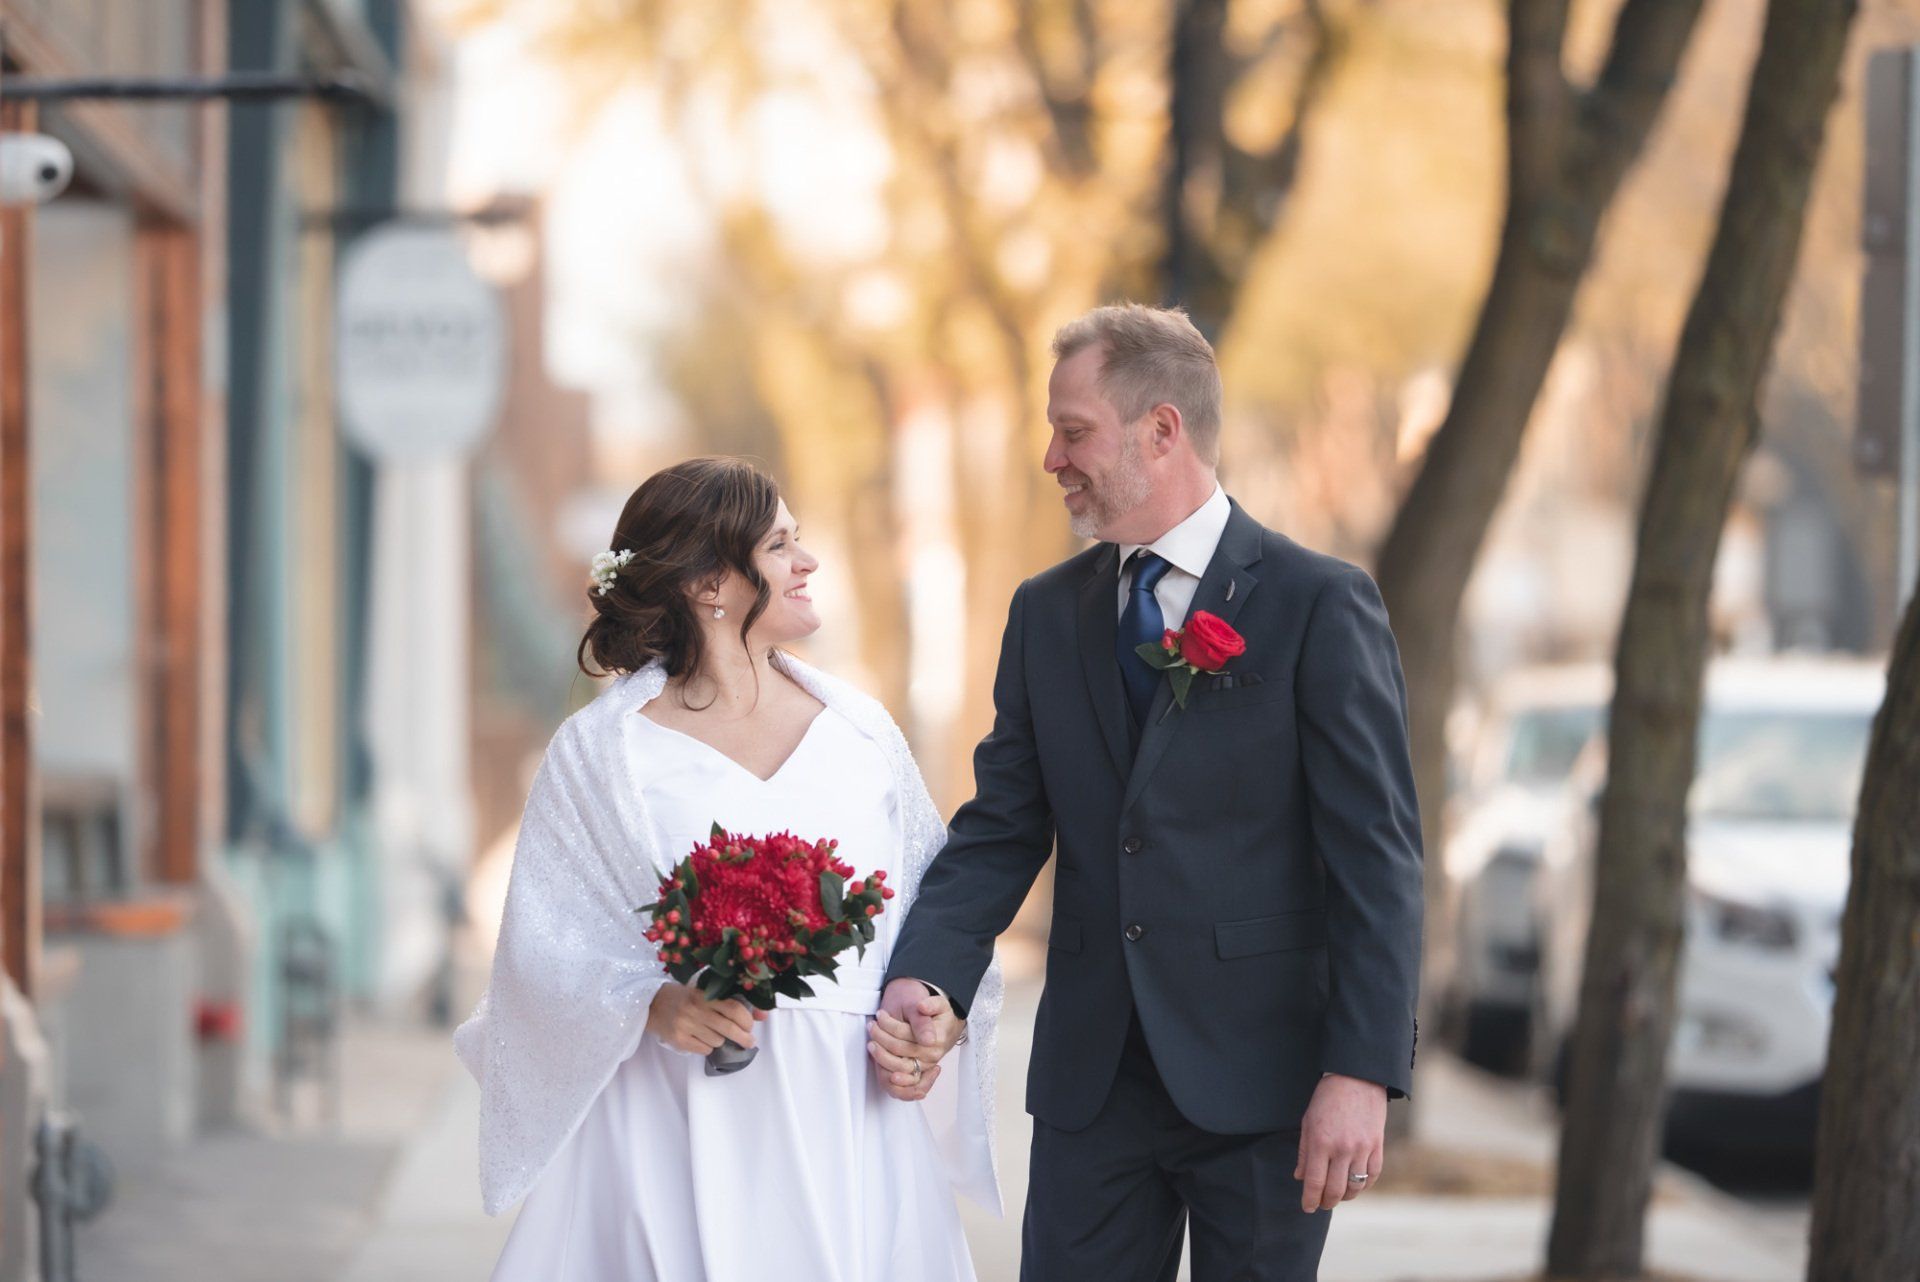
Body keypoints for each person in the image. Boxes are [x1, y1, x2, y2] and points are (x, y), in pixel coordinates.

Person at [873, 303, 1424, 1281]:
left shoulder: (1317, 604)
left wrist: (1362, 1070)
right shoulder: (1045, 613)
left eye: (1073, 429)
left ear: (1161, 430)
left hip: (1264, 1085)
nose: (1052, 456)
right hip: (1095, 1084)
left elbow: (1375, 857)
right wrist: (930, 969)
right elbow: (1003, 822)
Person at [455, 457, 1000, 1281]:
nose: (808, 563)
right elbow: (541, 950)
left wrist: (930, 1022)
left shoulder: (862, 734)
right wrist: (652, 1003)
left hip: (851, 1119)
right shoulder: (605, 751)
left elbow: (933, 911)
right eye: (780, 545)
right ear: (712, 582)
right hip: (675, 1120)